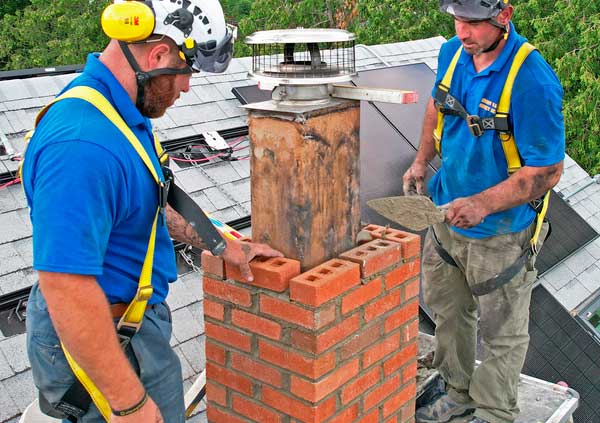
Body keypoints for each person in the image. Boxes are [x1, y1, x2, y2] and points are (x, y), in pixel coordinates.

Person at [21, 0, 282, 421]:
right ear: (158, 55)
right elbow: (66, 286)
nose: (187, 89)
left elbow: (151, 206)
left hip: (128, 327)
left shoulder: (120, 114)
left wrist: (222, 244)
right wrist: (129, 404)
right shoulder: (82, 144)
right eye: (186, 73)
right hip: (97, 338)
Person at [403, 1, 564, 422]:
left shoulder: (532, 80)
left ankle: (494, 412)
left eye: (472, 22)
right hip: (446, 217)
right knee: (449, 314)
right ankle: (457, 394)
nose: (462, 31)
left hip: (501, 234)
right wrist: (421, 161)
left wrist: (482, 204)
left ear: (503, 16)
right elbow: (437, 106)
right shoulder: (452, 53)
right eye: (457, 19)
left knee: (502, 335)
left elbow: (548, 171)